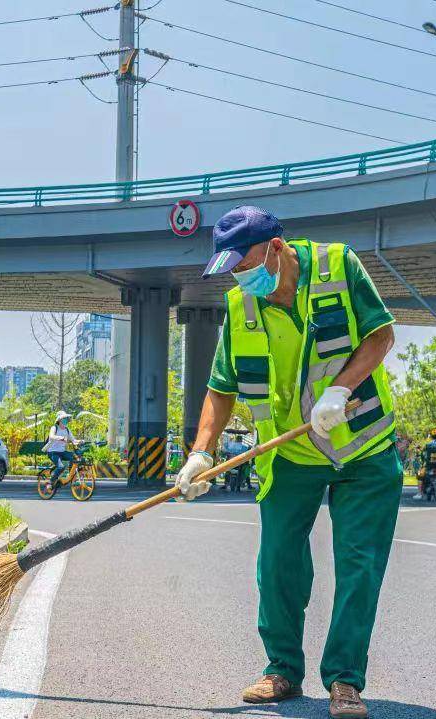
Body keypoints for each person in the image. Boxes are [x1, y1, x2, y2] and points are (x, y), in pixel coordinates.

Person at [174, 206, 401, 719]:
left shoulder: (338, 266)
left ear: (275, 248)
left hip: (362, 447)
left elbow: (381, 335)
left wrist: (341, 388)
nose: (239, 275)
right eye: (230, 267)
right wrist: (200, 452)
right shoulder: (241, 306)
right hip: (289, 453)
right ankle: (281, 670)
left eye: (244, 262)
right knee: (277, 563)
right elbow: (220, 388)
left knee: (359, 564)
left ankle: (344, 680)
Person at [42, 411, 77, 491]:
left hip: (62, 452)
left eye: (66, 419)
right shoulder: (54, 428)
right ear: (59, 420)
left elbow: (73, 440)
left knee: (75, 458)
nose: (66, 420)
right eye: (63, 418)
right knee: (61, 467)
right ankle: (50, 482)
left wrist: (80, 441)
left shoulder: (67, 430)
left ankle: (70, 477)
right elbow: (51, 436)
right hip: (53, 452)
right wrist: (61, 438)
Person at [413, 428, 436, 500]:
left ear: (431, 436)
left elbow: (423, 455)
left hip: (429, 466)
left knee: (419, 475)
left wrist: (423, 460)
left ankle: (419, 493)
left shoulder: (428, 445)